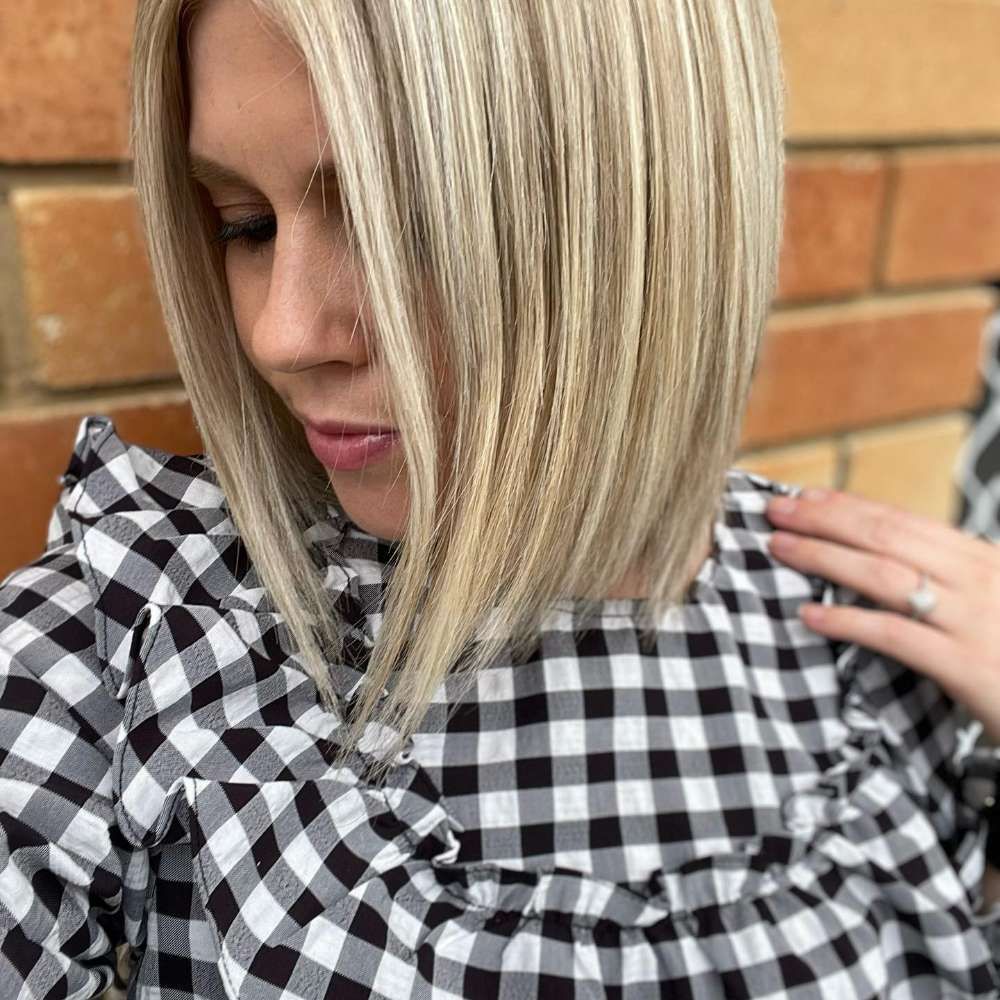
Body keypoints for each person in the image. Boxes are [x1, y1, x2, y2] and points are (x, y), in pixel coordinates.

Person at [2, 0, 999, 996]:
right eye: (244, 223)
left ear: (656, 211)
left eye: (408, 221)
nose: (281, 333)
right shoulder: (122, 646)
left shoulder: (871, 644)